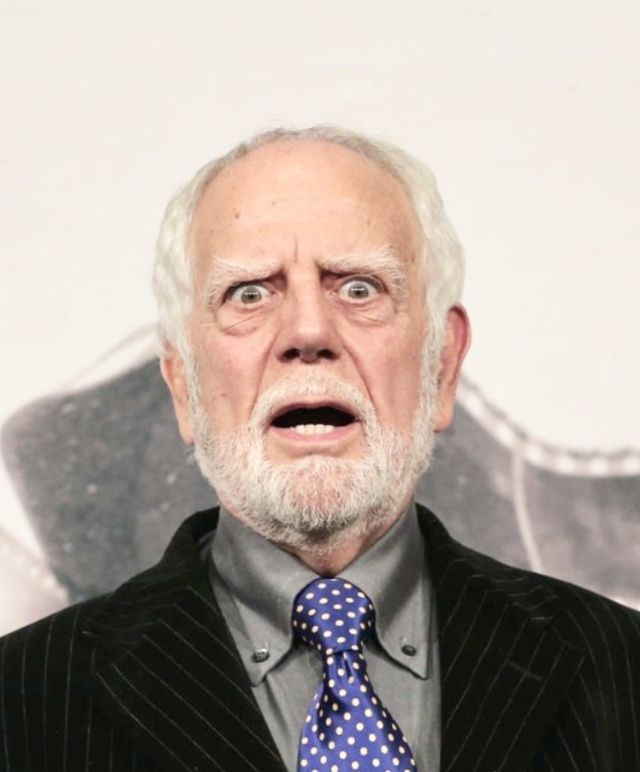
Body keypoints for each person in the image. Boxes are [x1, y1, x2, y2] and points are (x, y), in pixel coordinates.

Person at [0, 126, 638, 772]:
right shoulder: (20, 703)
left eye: (359, 288)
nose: (307, 332)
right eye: (250, 293)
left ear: (442, 365)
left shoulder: (622, 672)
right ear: (184, 385)